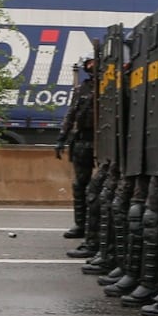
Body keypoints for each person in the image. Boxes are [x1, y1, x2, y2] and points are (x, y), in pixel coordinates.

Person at [56, 57, 96, 241]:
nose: (92, 66)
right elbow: (71, 113)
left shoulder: (113, 85)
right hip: (84, 140)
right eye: (89, 64)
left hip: (106, 141)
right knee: (80, 184)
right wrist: (62, 138)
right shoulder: (82, 89)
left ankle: (96, 230)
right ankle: (81, 224)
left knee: (101, 189)